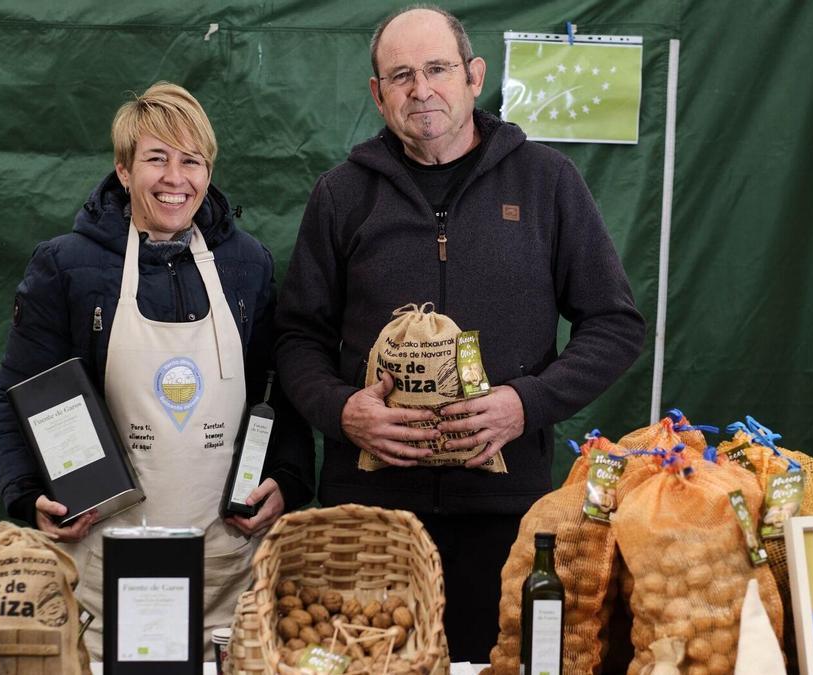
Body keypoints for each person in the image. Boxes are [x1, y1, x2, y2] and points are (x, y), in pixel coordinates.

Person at [273, 6, 645, 662]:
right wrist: (343, 411)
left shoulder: (547, 184)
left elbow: (614, 326)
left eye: (438, 68)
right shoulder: (342, 196)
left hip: (506, 519)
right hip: (369, 525)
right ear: (376, 93)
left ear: (474, 77)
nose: (422, 89)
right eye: (401, 75)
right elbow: (297, 337)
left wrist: (524, 404)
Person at [0, 81, 313, 657]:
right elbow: (11, 396)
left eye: (192, 161)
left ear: (209, 172)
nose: (175, 179)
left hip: (226, 563)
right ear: (123, 169)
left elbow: (279, 393)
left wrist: (286, 478)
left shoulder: (247, 265)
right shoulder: (67, 266)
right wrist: (28, 493)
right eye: (157, 159)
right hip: (103, 565)